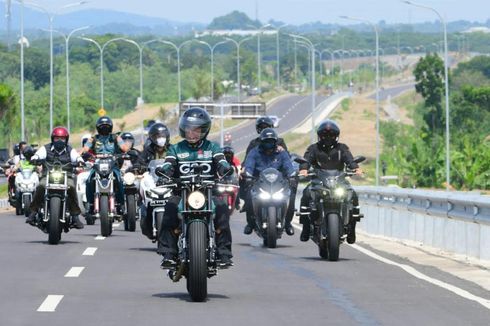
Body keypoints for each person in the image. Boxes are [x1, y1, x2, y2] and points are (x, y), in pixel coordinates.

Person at [158, 107, 233, 267]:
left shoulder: (212, 148)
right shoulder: (175, 149)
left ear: (204, 130)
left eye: (196, 130)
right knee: (170, 209)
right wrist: (164, 173)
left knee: (221, 209)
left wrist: (225, 170)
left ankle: (224, 253)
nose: (191, 133)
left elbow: (221, 162)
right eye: (188, 130)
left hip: (208, 193)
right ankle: (168, 254)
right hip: (182, 193)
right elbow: (168, 164)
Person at [298, 119, 363, 244]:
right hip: (319, 181)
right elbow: (306, 161)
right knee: (306, 194)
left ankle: (352, 228)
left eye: (331, 135)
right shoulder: (313, 148)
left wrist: (356, 168)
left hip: (339, 181)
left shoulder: (342, 148)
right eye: (325, 135)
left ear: (336, 136)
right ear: (319, 136)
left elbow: (350, 160)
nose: (328, 138)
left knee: (352, 194)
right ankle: (306, 228)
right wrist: (304, 169)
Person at [25, 127, 84, 229]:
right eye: (57, 138)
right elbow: (38, 155)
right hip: (48, 176)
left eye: (62, 138)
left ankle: (75, 216)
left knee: (71, 187)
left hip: (66, 176)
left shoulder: (70, 150)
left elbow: (77, 157)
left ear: (66, 139)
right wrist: (35, 158)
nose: (60, 141)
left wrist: (79, 160)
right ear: (53, 139)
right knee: (41, 186)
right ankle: (33, 212)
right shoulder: (45, 148)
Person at [243, 128, 296, 236]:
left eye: (271, 142)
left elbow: (288, 166)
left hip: (279, 183)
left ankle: (288, 224)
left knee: (291, 196)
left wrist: (292, 176)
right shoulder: (254, 152)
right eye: (266, 142)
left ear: (275, 142)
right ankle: (251, 223)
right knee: (248, 196)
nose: (268, 145)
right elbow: (249, 165)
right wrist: (248, 175)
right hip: (259, 182)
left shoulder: (282, 153)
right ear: (261, 142)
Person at [80, 116, 130, 215]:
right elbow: (85, 149)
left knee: (119, 180)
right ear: (98, 128)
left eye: (106, 126)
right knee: (89, 180)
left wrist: (126, 151)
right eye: (102, 126)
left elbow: (124, 147)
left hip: (113, 165)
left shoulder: (116, 137)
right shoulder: (93, 139)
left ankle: (121, 204)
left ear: (110, 127)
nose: (104, 128)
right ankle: (90, 205)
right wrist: (81, 154)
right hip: (97, 164)